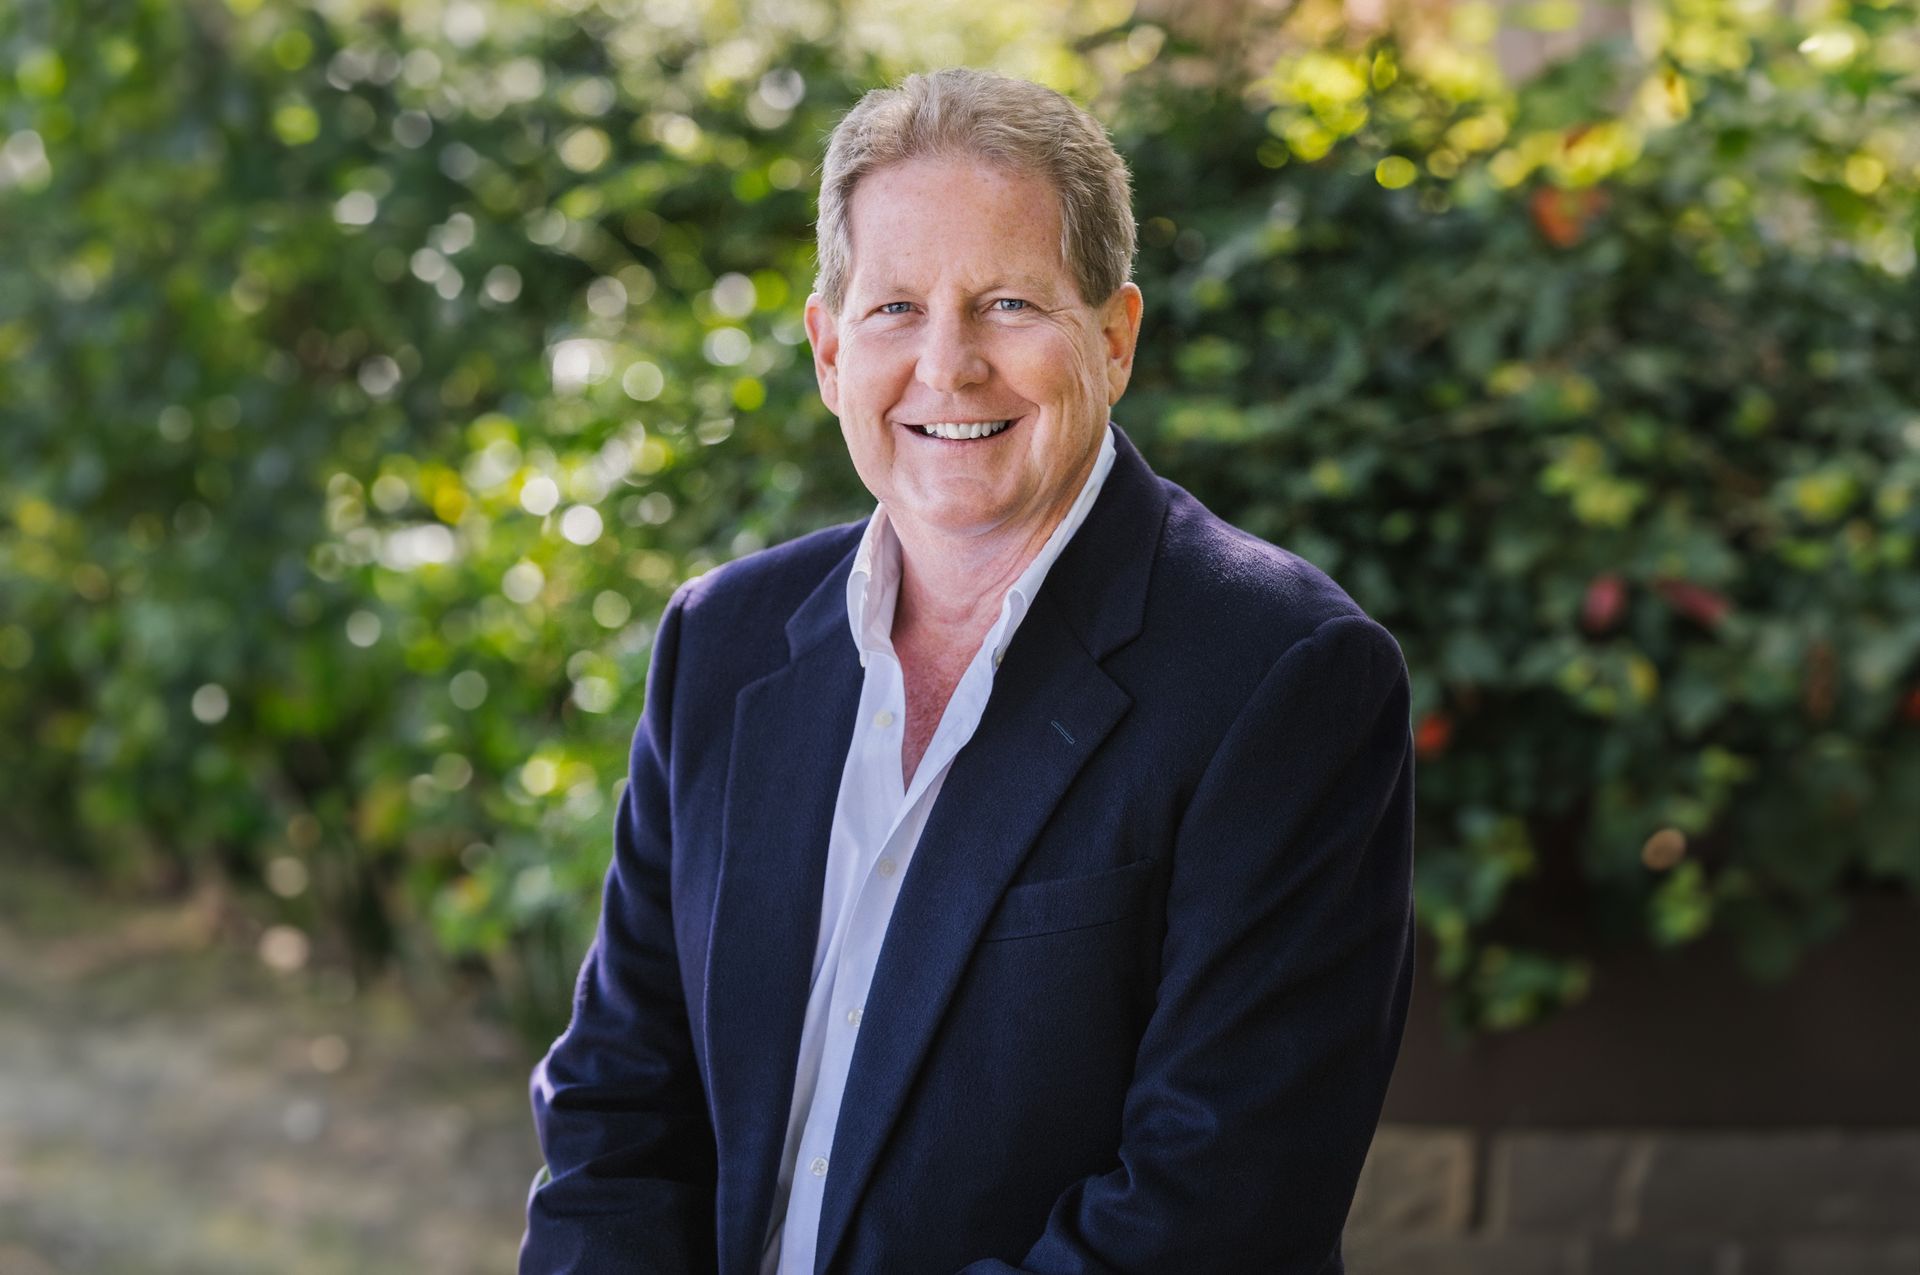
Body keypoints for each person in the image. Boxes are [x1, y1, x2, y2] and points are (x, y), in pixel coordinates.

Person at [519, 67, 1415, 1275]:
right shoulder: (721, 643)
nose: (948, 367)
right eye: (894, 309)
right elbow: (619, 1097)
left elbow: (1214, 1215)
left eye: (1006, 304)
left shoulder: (1283, 675)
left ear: (1113, 336)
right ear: (829, 351)